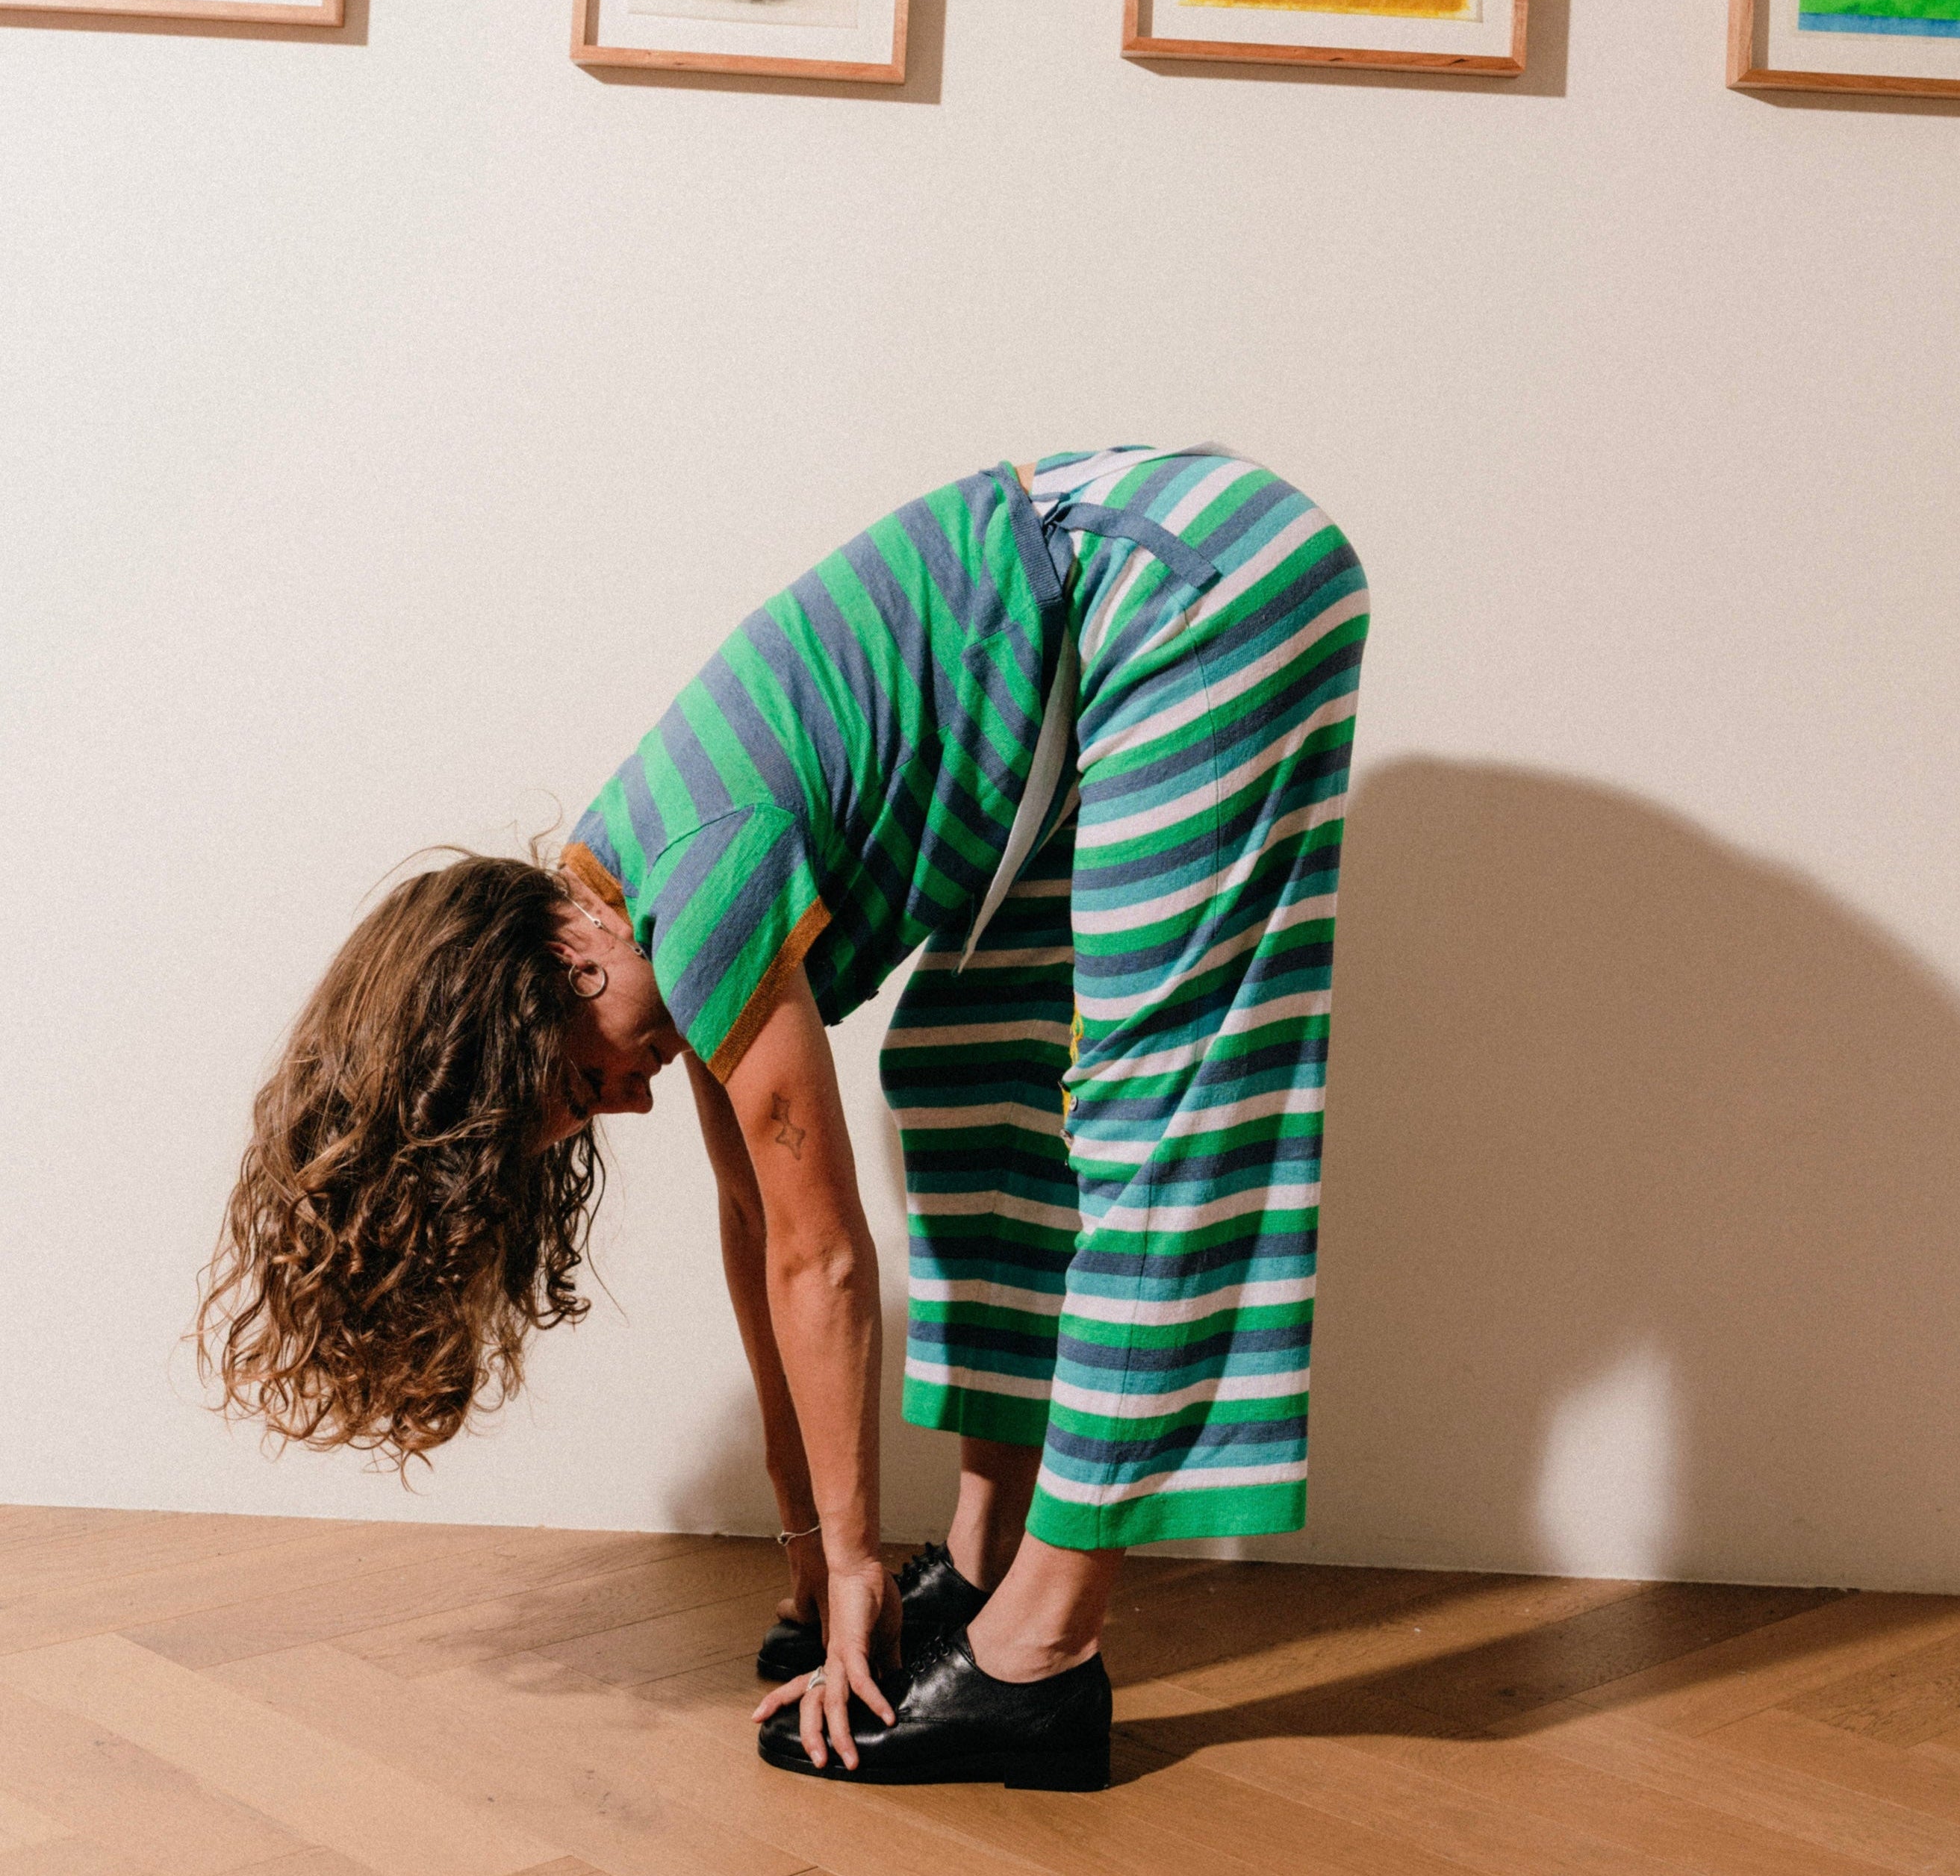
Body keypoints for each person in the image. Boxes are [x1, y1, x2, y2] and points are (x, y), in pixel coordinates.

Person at [200, 446, 1368, 1791]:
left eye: (583, 1086)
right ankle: (987, 1566)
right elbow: (756, 1220)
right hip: (1103, 621)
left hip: (1186, 584)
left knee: (1152, 1117)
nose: (624, 1100)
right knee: (960, 1070)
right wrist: (811, 1543)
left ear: (551, 971)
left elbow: (822, 1254)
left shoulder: (697, 886)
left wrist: (859, 1553)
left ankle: (1041, 1657)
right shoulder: (630, 896)